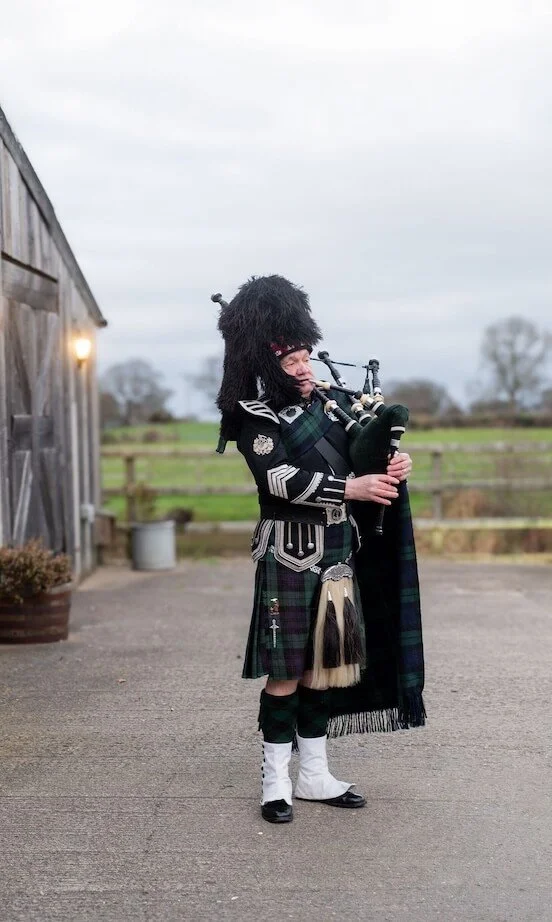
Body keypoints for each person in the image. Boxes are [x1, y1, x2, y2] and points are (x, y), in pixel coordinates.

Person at [215, 275, 425, 824]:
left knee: (322, 668)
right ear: (267, 366)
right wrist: (350, 489)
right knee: (285, 671)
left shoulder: (335, 406)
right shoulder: (253, 417)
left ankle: (314, 774)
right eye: (292, 362)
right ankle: (275, 780)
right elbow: (278, 481)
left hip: (337, 553)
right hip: (287, 552)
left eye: (307, 357)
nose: (305, 368)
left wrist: (392, 466)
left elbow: (368, 454)